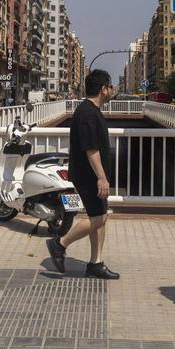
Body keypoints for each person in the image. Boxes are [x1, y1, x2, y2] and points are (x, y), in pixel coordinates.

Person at [46, 69, 119, 279]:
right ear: (103, 89)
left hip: (91, 175)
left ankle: (96, 263)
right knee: (99, 218)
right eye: (110, 86)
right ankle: (60, 244)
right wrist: (101, 178)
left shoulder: (91, 110)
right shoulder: (87, 113)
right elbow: (91, 149)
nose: (112, 90)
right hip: (89, 177)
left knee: (99, 216)